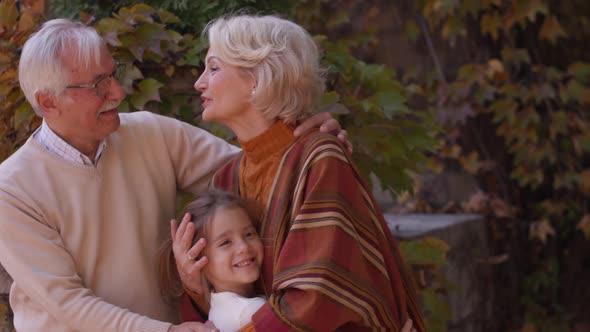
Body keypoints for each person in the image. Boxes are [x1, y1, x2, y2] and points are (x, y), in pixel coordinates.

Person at [0, 18, 347, 332]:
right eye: (98, 85)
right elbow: (65, 302)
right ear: (48, 102)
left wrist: (306, 144)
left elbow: (262, 176)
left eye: (112, 74)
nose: (118, 93)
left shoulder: (152, 134)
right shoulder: (11, 190)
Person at [172, 14, 425, 332]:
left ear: (256, 80)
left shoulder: (321, 158)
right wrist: (197, 285)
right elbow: (234, 301)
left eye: (213, 67)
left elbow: (316, 297)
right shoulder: (226, 178)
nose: (199, 82)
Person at [160, 191, 266, 332]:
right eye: (226, 242)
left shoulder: (218, 309)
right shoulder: (250, 311)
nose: (243, 247)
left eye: (249, 234)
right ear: (198, 261)